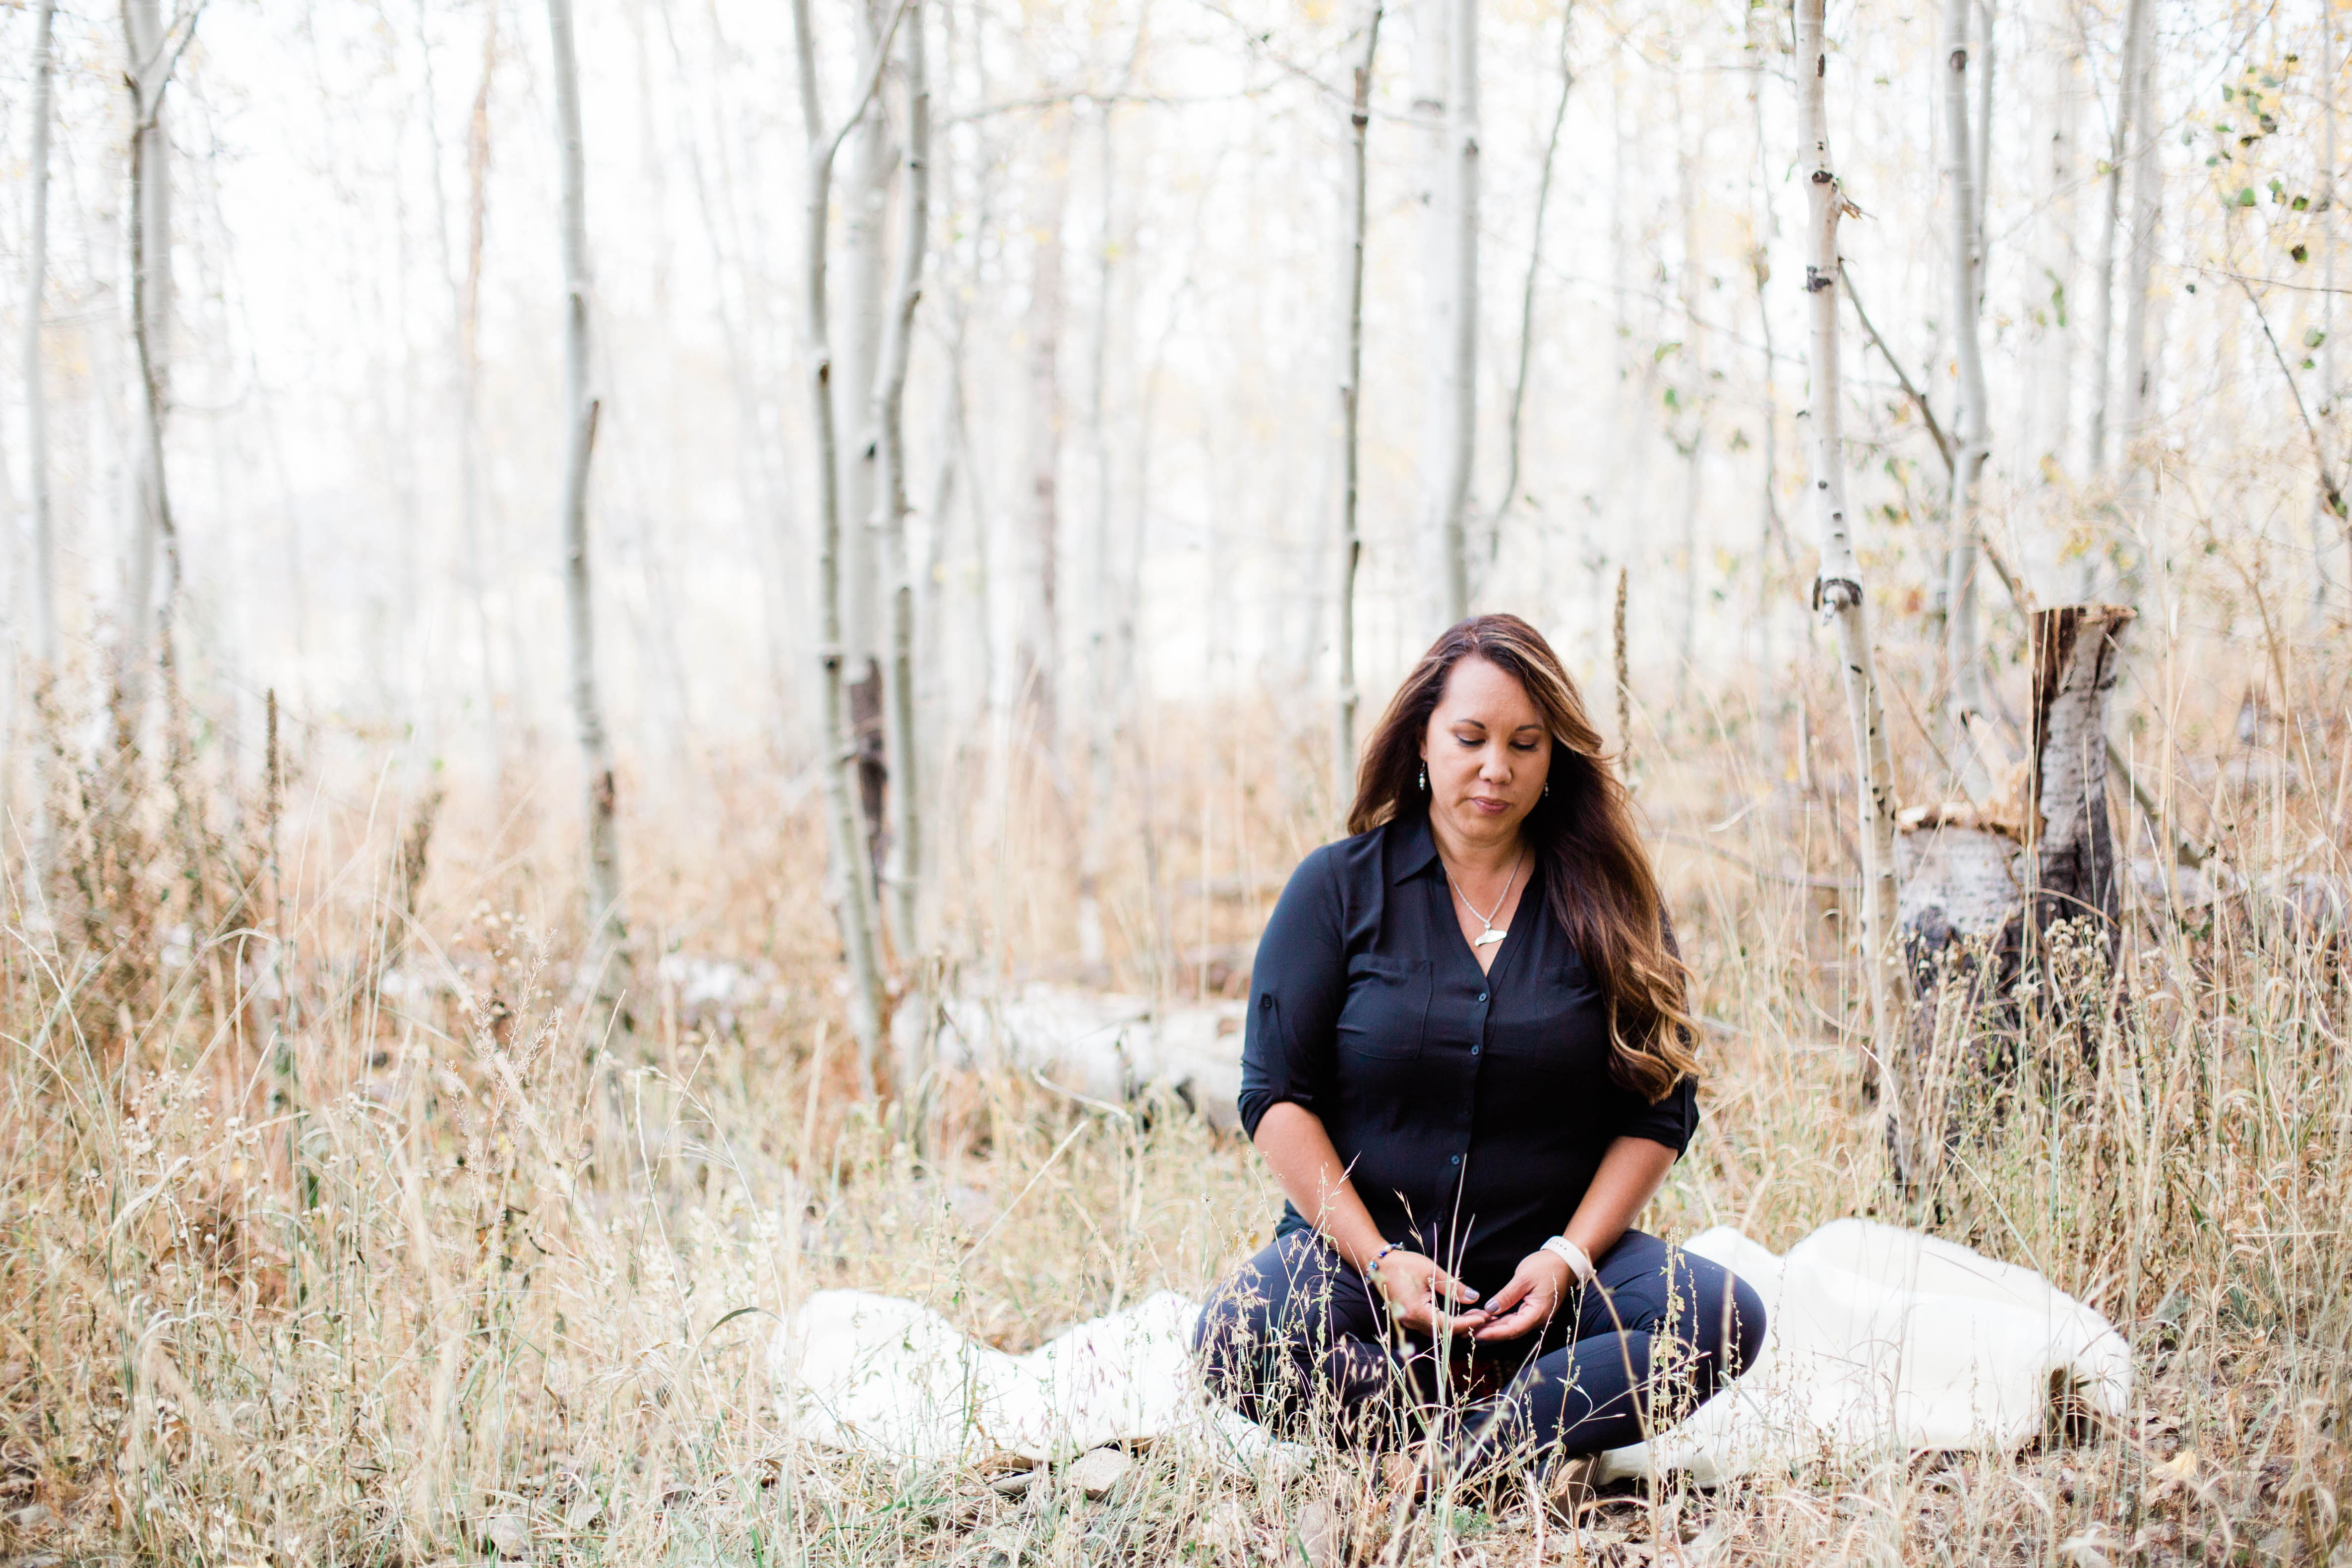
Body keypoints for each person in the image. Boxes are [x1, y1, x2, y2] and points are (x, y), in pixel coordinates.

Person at [1193, 614, 1764, 1500]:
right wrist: (1380, 1261)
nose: (1496, 767)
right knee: (1235, 1334)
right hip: (1365, 1278)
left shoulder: (1611, 902)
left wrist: (1568, 1258)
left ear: (1553, 759)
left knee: (1723, 1318)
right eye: (1471, 737)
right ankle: (1466, 1429)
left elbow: (1659, 1109)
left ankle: (1473, 1446)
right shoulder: (1337, 889)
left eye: (1524, 744)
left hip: (1550, 1290)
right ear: (1421, 738)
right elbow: (1274, 1096)